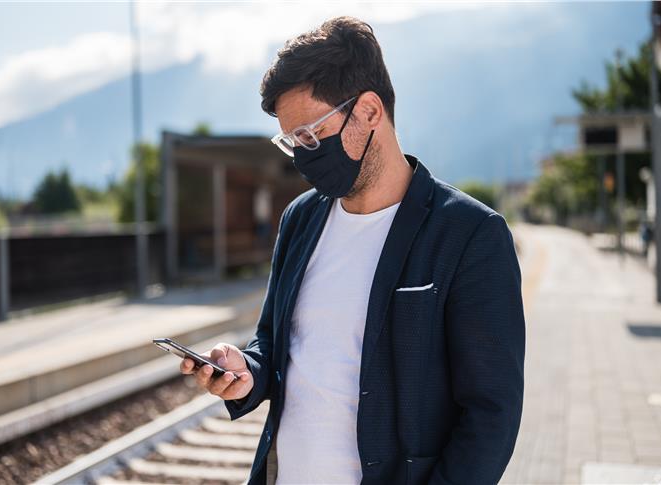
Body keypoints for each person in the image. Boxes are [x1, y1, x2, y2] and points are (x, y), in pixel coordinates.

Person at [180, 16, 525, 485]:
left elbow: (491, 414)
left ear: (368, 111)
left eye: (310, 135)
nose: (302, 156)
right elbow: (276, 344)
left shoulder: (470, 234)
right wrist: (248, 371)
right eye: (290, 142)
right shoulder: (300, 219)